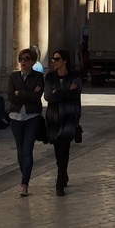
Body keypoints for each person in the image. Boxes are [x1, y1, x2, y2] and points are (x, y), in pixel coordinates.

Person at [7, 47, 45, 196]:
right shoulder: (13, 77)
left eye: (26, 59)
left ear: (33, 61)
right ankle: (26, 174)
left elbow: (37, 96)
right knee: (20, 150)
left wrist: (20, 92)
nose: (23, 62)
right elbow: (11, 96)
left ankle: (24, 183)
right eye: (21, 59)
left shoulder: (38, 77)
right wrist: (28, 94)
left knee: (27, 150)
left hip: (32, 117)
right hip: (16, 117)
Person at [44, 49, 83, 195]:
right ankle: (63, 172)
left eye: (57, 59)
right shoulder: (50, 77)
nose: (54, 62)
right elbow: (48, 96)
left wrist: (58, 93)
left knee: (64, 147)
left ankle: (59, 180)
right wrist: (66, 91)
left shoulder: (75, 76)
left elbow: (75, 93)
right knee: (57, 148)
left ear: (65, 61)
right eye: (53, 59)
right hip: (54, 117)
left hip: (69, 116)